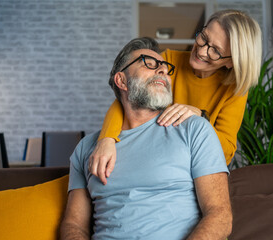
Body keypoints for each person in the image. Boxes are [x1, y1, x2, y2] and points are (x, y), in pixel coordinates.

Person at [60, 37, 232, 239]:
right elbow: (74, 225)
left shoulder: (195, 129)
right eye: (149, 64)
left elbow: (220, 216)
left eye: (165, 68)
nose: (162, 70)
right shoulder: (86, 148)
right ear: (121, 80)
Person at [90, 9, 262, 185]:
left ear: (231, 61)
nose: (202, 51)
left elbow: (225, 153)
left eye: (215, 51)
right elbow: (126, 100)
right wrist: (106, 140)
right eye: (204, 37)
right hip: (151, 154)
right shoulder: (168, 61)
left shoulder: (234, 90)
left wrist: (201, 117)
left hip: (188, 171)